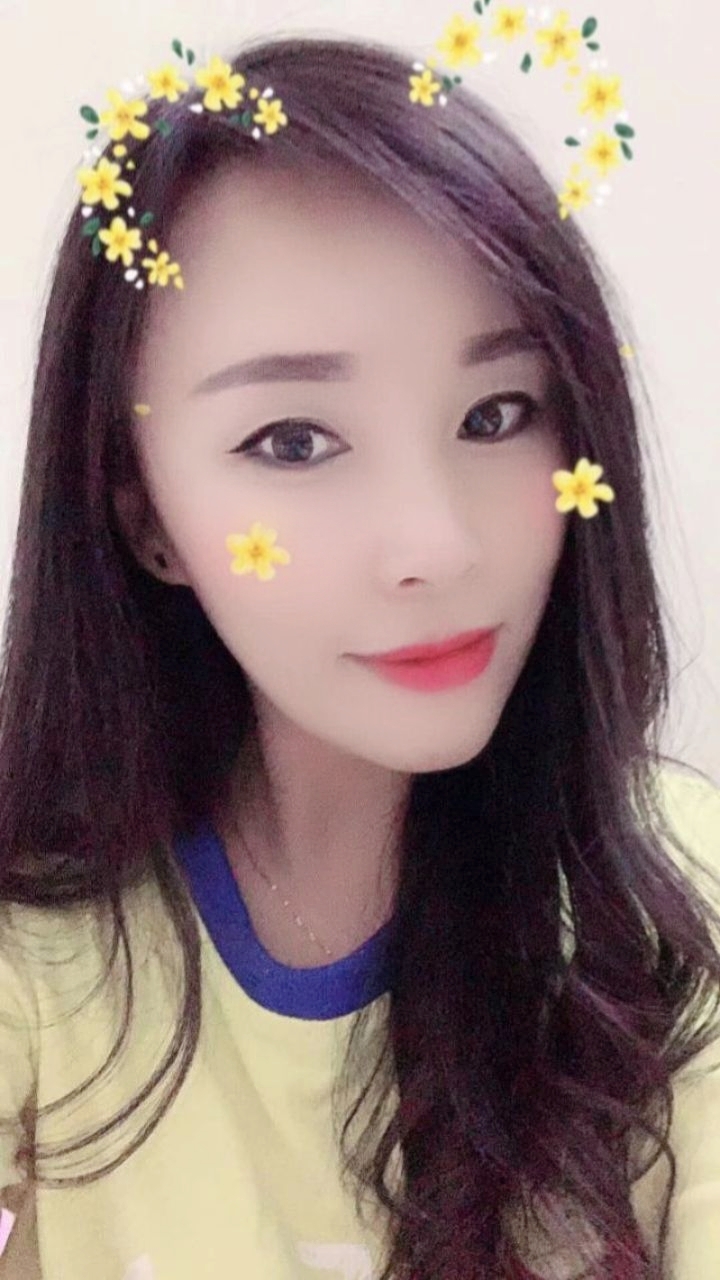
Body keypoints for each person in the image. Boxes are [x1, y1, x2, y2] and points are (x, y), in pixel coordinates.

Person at [0, 23, 719, 1280]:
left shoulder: (678, 894)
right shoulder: (40, 951)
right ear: (144, 512)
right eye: (293, 441)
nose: (435, 543)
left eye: (497, 414)